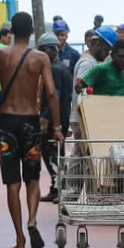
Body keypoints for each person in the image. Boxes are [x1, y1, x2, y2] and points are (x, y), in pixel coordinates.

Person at [0, 11, 62, 248]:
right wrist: (57, 127)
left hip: (7, 122)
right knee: (33, 177)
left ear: (11, 31)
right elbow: (51, 93)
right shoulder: (40, 58)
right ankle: (32, 220)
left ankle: (20, 240)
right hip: (30, 123)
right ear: (31, 31)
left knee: (12, 182)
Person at [36, 33, 73, 203]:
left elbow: (54, 95)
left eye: (42, 50)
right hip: (61, 116)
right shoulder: (61, 67)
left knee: (50, 152)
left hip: (54, 118)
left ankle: (60, 187)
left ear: (51, 50)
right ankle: (56, 187)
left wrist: (45, 119)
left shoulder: (54, 69)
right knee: (57, 152)